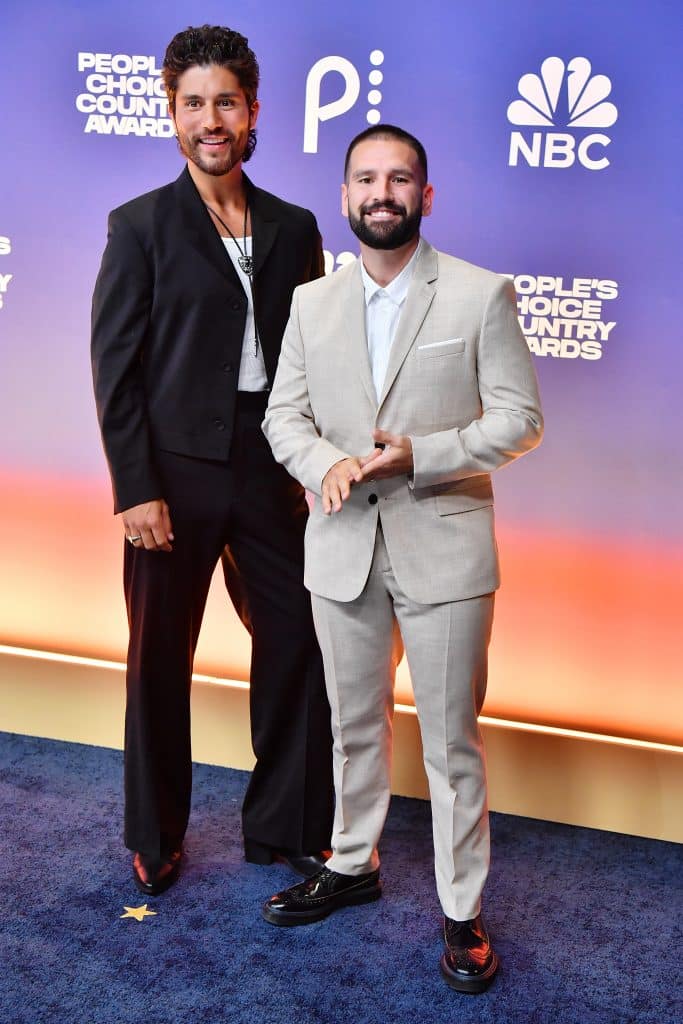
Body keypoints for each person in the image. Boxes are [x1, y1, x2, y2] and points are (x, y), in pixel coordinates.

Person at [261, 125, 543, 993]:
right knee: (351, 727)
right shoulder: (313, 302)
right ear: (345, 195)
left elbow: (519, 421)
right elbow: (284, 419)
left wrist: (418, 453)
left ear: (425, 194)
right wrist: (329, 465)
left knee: (451, 744)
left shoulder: (477, 294)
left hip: (444, 550)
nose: (380, 193)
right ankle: (352, 862)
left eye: (399, 179)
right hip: (341, 546)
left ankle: (462, 912)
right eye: (364, 180)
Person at [91, 24, 334, 897]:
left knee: (301, 639)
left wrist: (315, 463)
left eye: (224, 101)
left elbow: (309, 359)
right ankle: (154, 832)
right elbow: (115, 368)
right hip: (173, 476)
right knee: (160, 655)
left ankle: (286, 828)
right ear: (172, 114)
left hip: (271, 468)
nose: (210, 119)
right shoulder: (141, 226)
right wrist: (136, 489)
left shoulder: (294, 228)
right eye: (192, 103)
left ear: (253, 109)